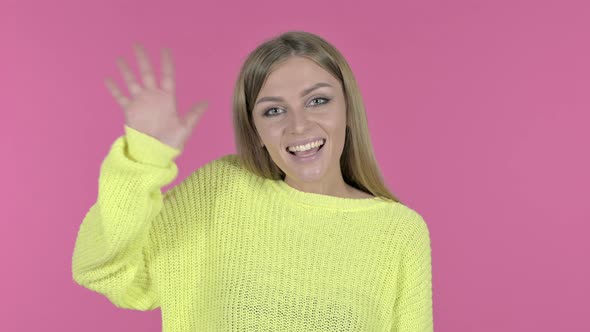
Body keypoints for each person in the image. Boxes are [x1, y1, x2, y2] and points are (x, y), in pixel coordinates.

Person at [72, 30, 433, 331]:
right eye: (273, 110)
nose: (299, 126)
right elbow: (105, 269)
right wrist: (144, 158)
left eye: (318, 100)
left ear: (349, 111)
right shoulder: (221, 191)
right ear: (255, 130)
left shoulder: (399, 231)